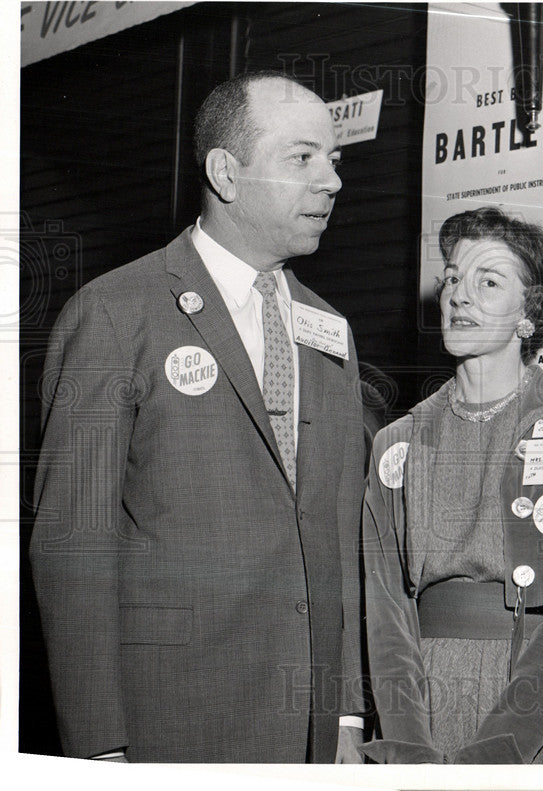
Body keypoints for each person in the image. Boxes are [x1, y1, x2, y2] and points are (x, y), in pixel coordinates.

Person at [30, 71, 367, 763]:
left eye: (334, 160)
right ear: (226, 172)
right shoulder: (117, 313)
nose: (331, 180)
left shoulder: (330, 329)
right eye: (303, 158)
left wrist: (346, 712)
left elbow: (338, 533)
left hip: (305, 724)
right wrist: (99, 746)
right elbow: (72, 542)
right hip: (169, 719)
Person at [361, 207, 543, 763]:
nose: (460, 295)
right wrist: (408, 743)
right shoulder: (396, 444)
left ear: (529, 313)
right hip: (423, 706)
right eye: (453, 277)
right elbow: (386, 613)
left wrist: (500, 752)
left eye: (489, 281)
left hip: (536, 709)